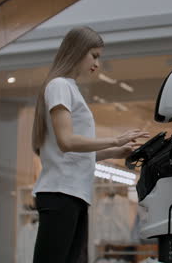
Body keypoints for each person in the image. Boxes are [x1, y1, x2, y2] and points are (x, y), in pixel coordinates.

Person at [31, 26, 149, 263]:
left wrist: (115, 151)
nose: (97, 63)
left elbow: (75, 153)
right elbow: (66, 142)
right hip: (60, 192)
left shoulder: (68, 88)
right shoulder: (59, 86)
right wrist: (115, 139)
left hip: (71, 193)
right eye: (94, 55)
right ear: (78, 50)